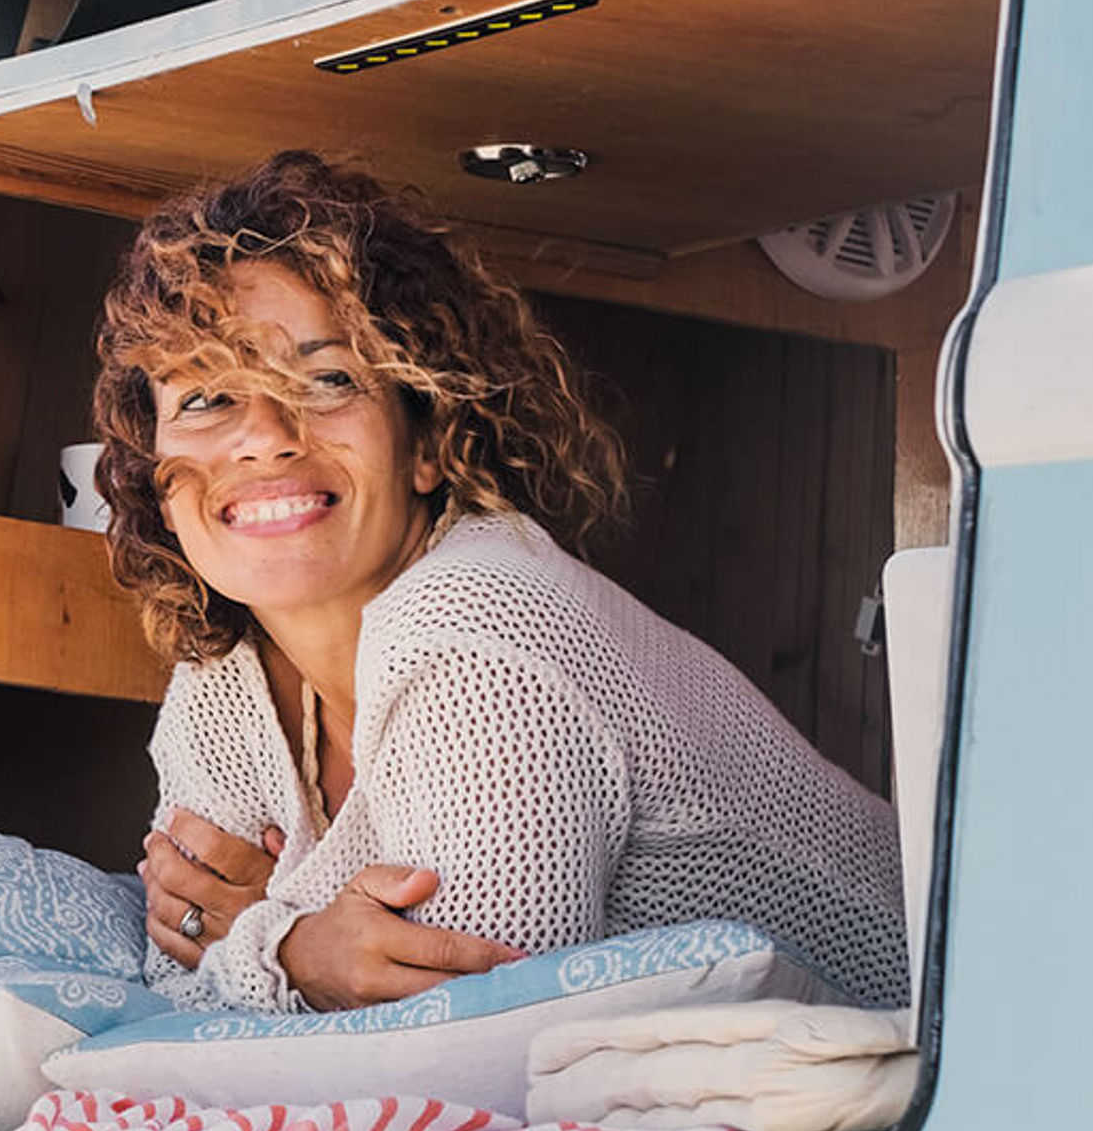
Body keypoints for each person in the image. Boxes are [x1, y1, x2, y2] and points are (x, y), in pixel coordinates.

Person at [91, 151, 909, 1014]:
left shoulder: (481, 625)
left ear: (434, 439)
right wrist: (293, 950)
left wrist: (279, 948)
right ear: (156, 473)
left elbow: (481, 1035)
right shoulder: (220, 687)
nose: (264, 437)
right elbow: (170, 981)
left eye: (328, 379)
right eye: (207, 401)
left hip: (964, 1070)